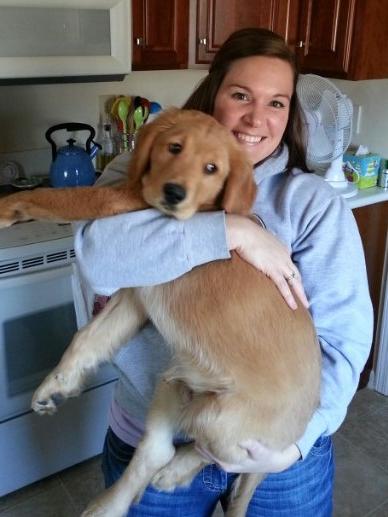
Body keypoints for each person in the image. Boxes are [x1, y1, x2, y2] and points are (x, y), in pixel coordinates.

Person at [74, 28, 373, 516]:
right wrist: (232, 231)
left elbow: (344, 338)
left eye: (278, 102)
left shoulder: (312, 204)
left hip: (277, 456)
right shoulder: (148, 163)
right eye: (241, 96)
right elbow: (99, 258)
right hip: (151, 436)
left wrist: (298, 442)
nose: (258, 118)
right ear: (213, 93)